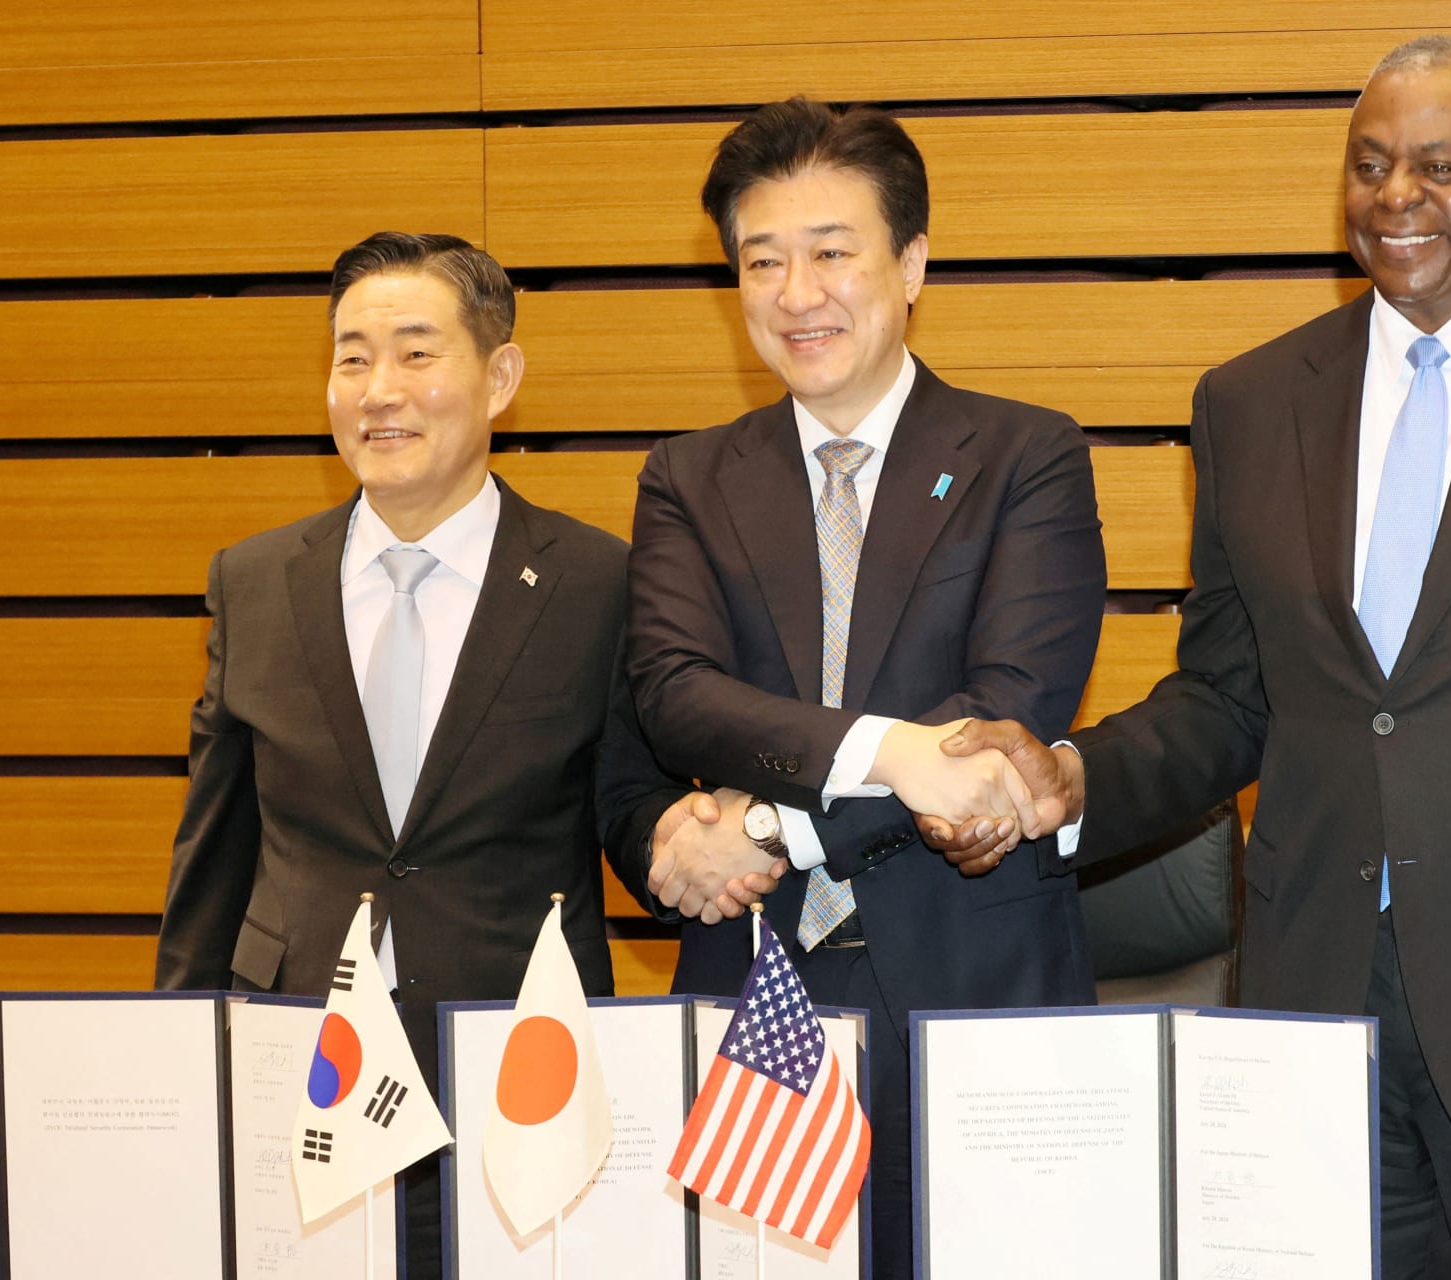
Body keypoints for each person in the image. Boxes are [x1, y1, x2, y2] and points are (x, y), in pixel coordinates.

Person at [922, 37, 1451, 1279]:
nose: (1398, 198)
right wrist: (1071, 776)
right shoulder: (1249, 401)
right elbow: (1228, 696)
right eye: (1371, 165)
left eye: (1440, 165)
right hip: (1314, 1035)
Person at [624, 97, 1107, 1278]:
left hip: (972, 989)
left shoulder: (1025, 456)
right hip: (754, 995)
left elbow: (1004, 708)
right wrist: (892, 750)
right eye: (764, 260)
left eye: (833, 252)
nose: (800, 294)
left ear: (914, 262)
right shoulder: (690, 478)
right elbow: (677, 693)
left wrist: (767, 818)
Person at [153, 231, 695, 1275]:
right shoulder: (255, 581)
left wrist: (701, 848)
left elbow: (635, 815)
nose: (377, 389)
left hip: (516, 1078)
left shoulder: (598, 583)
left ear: (499, 377)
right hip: (298, 1071)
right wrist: (189, 1067)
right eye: (351, 357)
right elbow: (212, 858)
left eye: (414, 352)